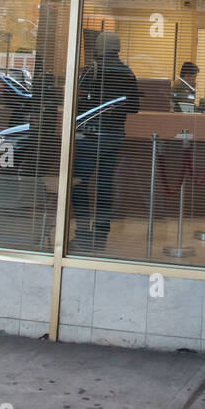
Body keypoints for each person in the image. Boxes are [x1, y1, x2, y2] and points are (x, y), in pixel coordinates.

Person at [72, 31, 140, 252]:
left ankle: (83, 235)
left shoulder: (93, 71)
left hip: (90, 136)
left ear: (99, 47)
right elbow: (133, 106)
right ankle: (100, 237)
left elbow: (79, 102)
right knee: (104, 187)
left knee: (79, 184)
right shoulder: (128, 72)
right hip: (114, 136)